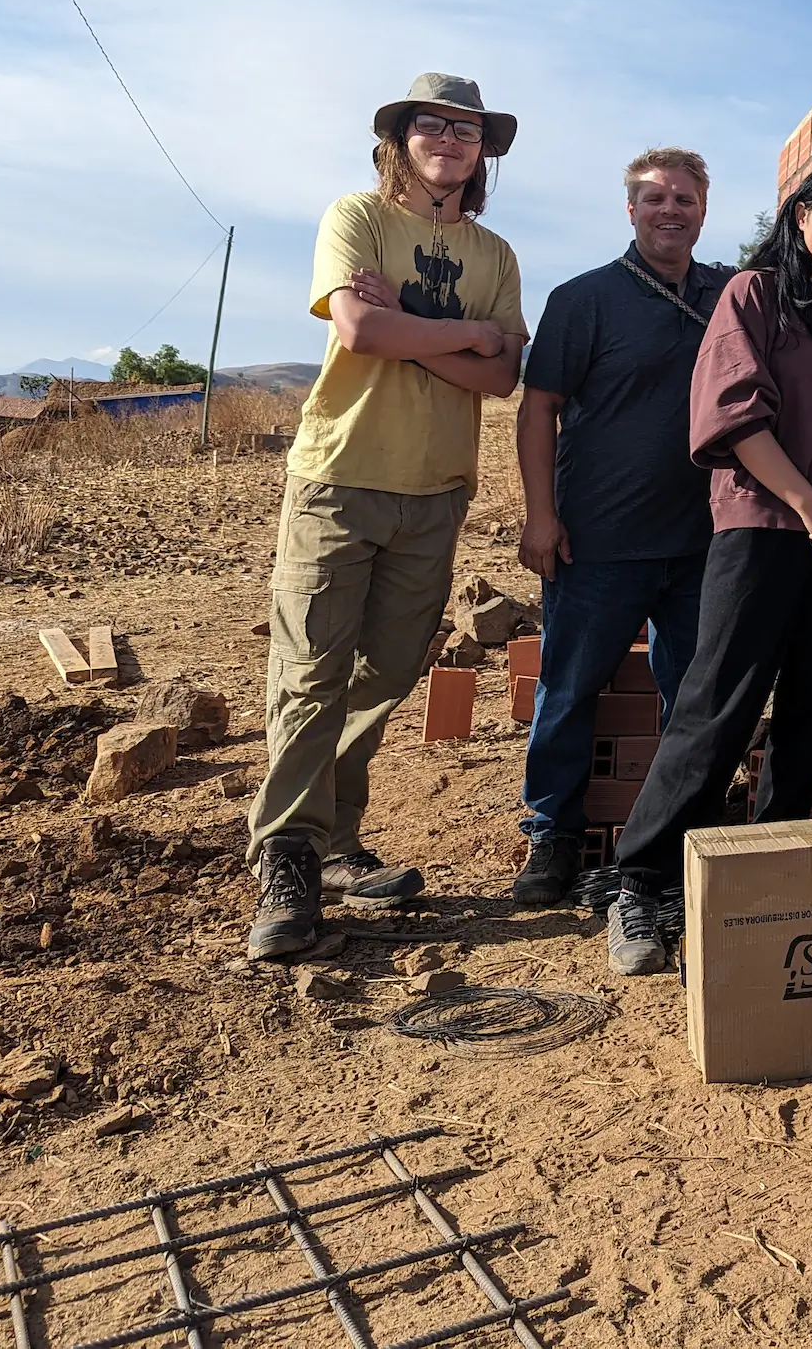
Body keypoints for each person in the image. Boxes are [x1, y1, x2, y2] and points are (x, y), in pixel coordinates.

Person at [606, 159, 812, 975]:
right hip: (764, 528)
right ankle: (643, 879)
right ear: (801, 213)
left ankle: (771, 868)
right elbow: (736, 415)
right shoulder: (752, 295)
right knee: (720, 701)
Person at [247, 73, 528, 959]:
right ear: (401, 138)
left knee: (390, 668)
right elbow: (360, 334)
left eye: (468, 130)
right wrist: (460, 332)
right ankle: (288, 856)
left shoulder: (497, 256)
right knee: (311, 668)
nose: (450, 138)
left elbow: (502, 377)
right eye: (433, 124)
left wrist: (412, 320)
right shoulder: (356, 219)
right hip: (340, 475)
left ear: (483, 152)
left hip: (438, 488)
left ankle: (333, 841)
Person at [510, 148, 730, 908]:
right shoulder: (585, 299)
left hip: (704, 543)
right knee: (568, 688)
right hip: (598, 539)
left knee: (693, 696)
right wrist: (541, 515)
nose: (671, 210)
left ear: (705, 209)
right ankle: (553, 834)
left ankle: (674, 836)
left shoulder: (732, 295)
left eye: (685, 199)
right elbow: (538, 407)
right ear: (629, 208)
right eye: (655, 198)